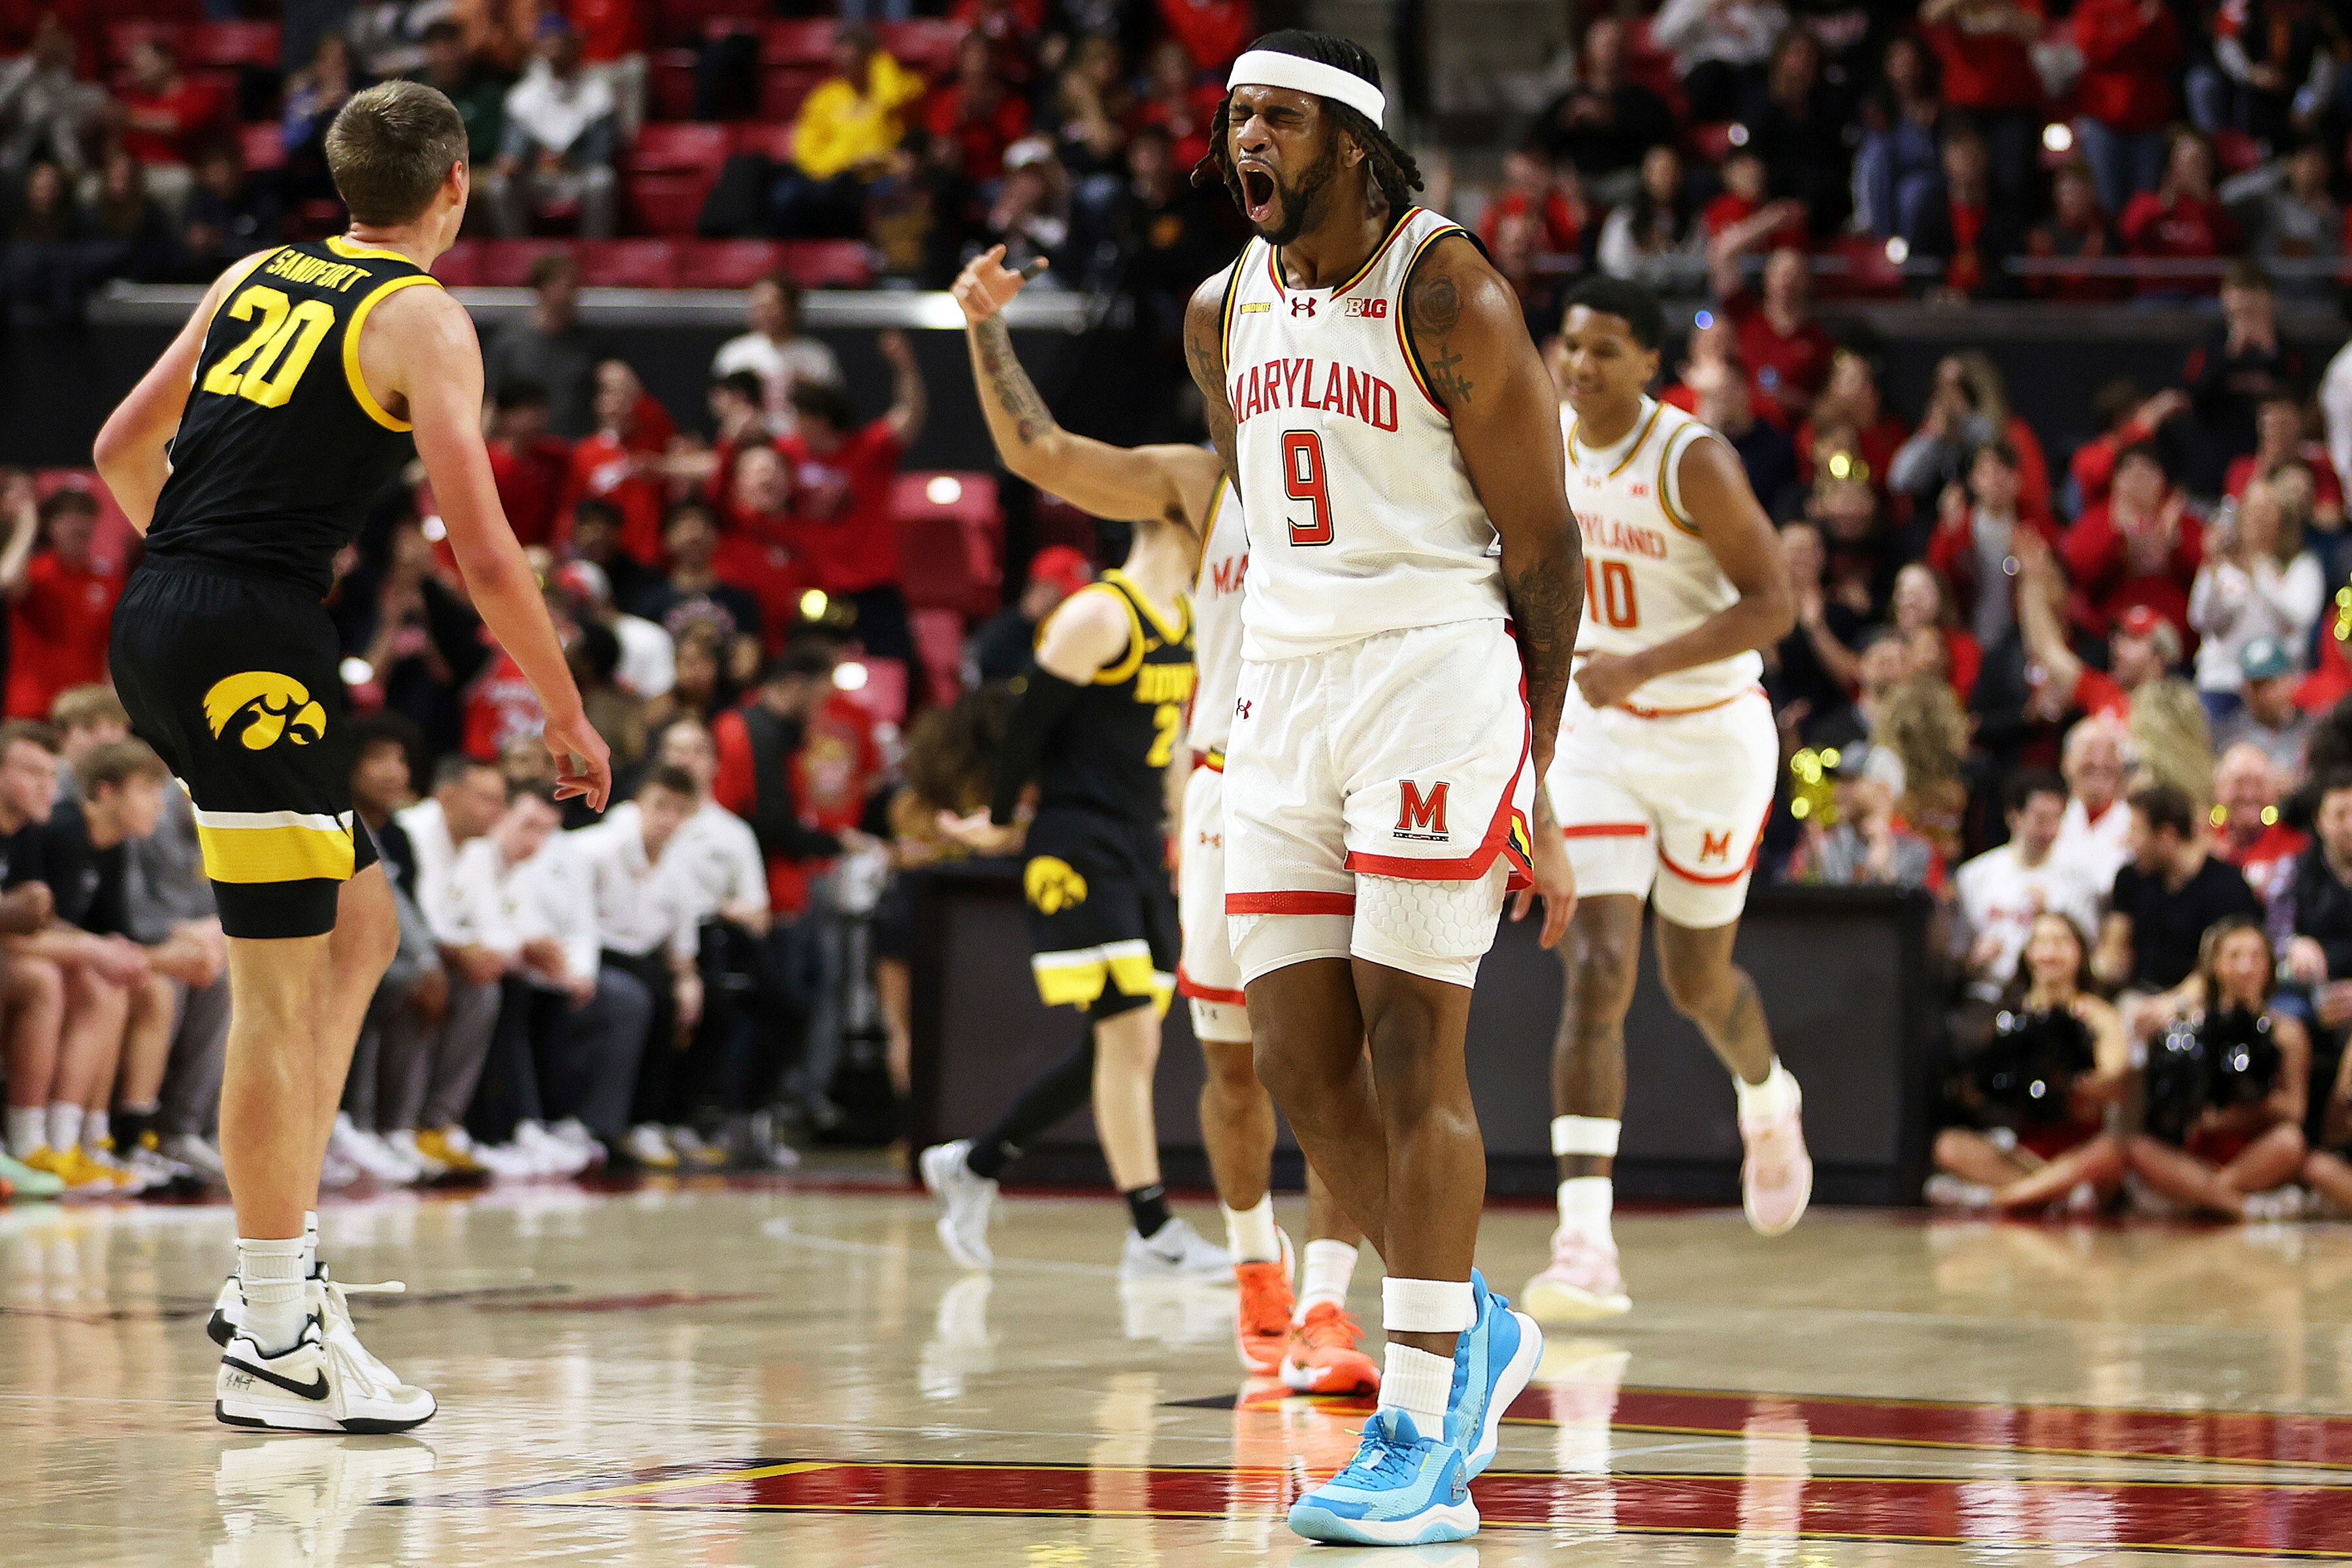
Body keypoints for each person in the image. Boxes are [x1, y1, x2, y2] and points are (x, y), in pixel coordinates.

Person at [91, 79, 610, 1433]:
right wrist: (564, 710)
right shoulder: (423, 315)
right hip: (246, 632)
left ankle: (286, 1263)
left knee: (365, 925)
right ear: (459, 185)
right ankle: (270, 1325)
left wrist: (199, 585)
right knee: (277, 988)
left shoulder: (259, 270)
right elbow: (485, 553)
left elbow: (115, 447)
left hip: (172, 609)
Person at [1185, 32, 1581, 1542]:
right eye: (1233, 119)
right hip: (1281, 688)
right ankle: (1470, 1316)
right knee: (1298, 1063)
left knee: (1420, 1051)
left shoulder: (1446, 287)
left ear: (1353, 140)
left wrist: (1533, 762)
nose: (1246, 141)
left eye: (1276, 116)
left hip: (1432, 674)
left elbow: (1542, 553)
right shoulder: (1217, 305)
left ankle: (1422, 1425)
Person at [944, 245, 1379, 1388]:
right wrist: (987, 327)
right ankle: (1256, 1274)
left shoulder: (1385, 461)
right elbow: (1039, 454)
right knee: (1232, 1066)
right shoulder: (1198, 482)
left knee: (1339, 1069)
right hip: (1231, 788)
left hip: (1347, 774)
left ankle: (1330, 1310)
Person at [922, 286, 1226, 1286]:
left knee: (1127, 1044)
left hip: (1139, 843)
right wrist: (1006, 820)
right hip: (1077, 840)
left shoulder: (1184, 625)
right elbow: (1023, 732)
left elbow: (1168, 750)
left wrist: (1181, 828)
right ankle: (1150, 1231)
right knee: (1129, 1040)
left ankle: (976, 1162)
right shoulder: (1101, 616)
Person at [1527, 275, 1808, 1327]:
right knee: (1597, 967)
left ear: (1653, 363)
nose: (1581, 366)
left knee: (1696, 981)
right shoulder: (1539, 441)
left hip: (1709, 732)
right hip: (1599, 731)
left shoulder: (1691, 458)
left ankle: (1766, 1094)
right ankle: (1585, 1242)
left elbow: (1774, 603)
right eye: (1570, 344)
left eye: (1606, 350)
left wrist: (1643, 664)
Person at [1931, 911, 2129, 1213]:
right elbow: (1979, 1089)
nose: (2050, 952)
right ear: (2028, 954)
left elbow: (2115, 1082)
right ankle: (2055, 1193)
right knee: (1948, 1145)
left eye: (2062, 942)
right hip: (2027, 1152)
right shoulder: (2008, 1017)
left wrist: (2069, 1085)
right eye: (2041, 942)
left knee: (2112, 1152)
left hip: (2081, 1152)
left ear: (2080, 953)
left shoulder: (2098, 1014)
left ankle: (2003, 1197)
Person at [2127, 917, 2308, 1218]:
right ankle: (2240, 1206)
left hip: (2256, 1153)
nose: (2246, 967)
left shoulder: (2286, 1030)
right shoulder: (2191, 1024)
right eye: (2234, 956)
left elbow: (2295, 1109)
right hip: (2197, 1151)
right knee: (2137, 1148)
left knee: (2291, 1143)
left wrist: (2238, 1111)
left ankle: (2200, 1196)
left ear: (2269, 965)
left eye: (2256, 956)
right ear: (2214, 966)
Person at [776, 333, 926, 668]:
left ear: (820, 420)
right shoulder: (787, 454)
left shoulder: (867, 451)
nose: (794, 426)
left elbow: (909, 415)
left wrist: (906, 366)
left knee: (894, 671)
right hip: (814, 590)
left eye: (799, 417)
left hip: (872, 587)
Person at [2093, 784, 2262, 998]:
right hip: (2136, 996)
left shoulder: (2227, 887)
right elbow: (2115, 947)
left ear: (2167, 836)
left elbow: (2221, 970)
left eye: (2136, 831)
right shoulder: (2131, 877)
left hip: (2200, 1002)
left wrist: (2171, 1005)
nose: (2129, 842)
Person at [1953, 770, 2104, 1002]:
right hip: (1989, 994)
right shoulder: (1975, 875)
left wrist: (2051, 916)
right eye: (2042, 820)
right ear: (2015, 817)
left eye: (2058, 820)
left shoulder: (2079, 880)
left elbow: (2089, 952)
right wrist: (1974, 959)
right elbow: (1957, 952)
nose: (2051, 831)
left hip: (2056, 998)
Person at [481, 14, 617, 239]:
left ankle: (595, 252)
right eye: (549, 42)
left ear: (574, 46)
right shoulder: (524, 95)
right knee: (498, 185)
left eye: (561, 42)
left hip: (577, 177)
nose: (555, 49)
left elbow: (602, 151)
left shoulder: (598, 91)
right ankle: (517, 252)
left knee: (603, 181)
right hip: (537, 179)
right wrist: (512, 161)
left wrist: (571, 161)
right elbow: (512, 152)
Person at [5, 485, 123, 720]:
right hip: (33, 711)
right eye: (66, 514)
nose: (77, 524)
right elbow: (7, 583)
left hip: (87, 715)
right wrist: (27, 525)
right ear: (50, 524)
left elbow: (111, 652)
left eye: (85, 513)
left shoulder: (109, 582)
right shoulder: (34, 573)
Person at [485, 253, 600, 440]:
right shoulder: (510, 341)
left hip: (574, 449)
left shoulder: (590, 341)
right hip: (526, 452)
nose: (575, 293)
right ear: (545, 287)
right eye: (568, 285)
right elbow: (492, 401)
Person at [711, 274, 841, 437]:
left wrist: (807, 390)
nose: (765, 313)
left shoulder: (815, 355)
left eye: (772, 306)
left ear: (791, 308)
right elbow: (720, 405)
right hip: (751, 441)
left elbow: (833, 410)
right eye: (759, 306)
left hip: (800, 443)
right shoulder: (735, 353)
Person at [2215, 638, 2317, 777]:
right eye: (2256, 686)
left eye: (2270, 684)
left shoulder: (2313, 729)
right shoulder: (2230, 734)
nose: (2263, 694)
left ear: (2290, 681)